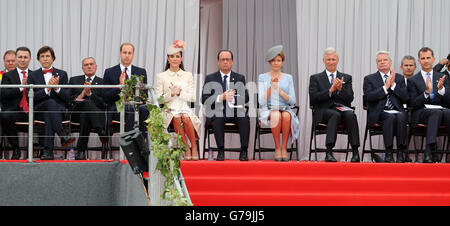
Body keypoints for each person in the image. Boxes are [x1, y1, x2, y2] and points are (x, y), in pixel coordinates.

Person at [309, 47, 360, 162]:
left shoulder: (346, 77)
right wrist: (330, 90)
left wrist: (340, 89)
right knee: (334, 115)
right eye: (328, 59)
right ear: (323, 60)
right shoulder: (315, 78)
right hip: (323, 111)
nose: (331, 62)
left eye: (333, 59)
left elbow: (350, 98)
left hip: (342, 109)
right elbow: (313, 98)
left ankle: (355, 152)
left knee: (351, 114)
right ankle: (329, 151)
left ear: (337, 60)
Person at [156, 41, 201, 161]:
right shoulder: (161, 76)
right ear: (168, 59)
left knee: (185, 117)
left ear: (181, 59)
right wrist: (171, 93)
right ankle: (186, 148)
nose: (175, 59)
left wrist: (180, 93)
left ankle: (194, 146)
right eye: (172, 56)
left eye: (177, 56)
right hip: (169, 109)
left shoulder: (187, 75)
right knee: (176, 117)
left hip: (183, 107)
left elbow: (192, 98)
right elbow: (158, 99)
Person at [201, 50, 250, 161]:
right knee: (218, 117)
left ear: (232, 62)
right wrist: (220, 97)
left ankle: (244, 151)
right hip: (218, 110)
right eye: (223, 59)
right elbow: (204, 99)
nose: (225, 62)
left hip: (235, 110)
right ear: (218, 62)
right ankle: (221, 150)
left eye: (228, 59)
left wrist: (233, 98)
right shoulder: (210, 78)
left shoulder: (239, 78)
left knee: (244, 118)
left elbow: (246, 98)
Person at [27, 46, 74, 160]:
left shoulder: (62, 74)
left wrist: (57, 88)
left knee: (50, 111)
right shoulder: (32, 75)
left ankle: (47, 151)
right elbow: (31, 97)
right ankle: (62, 134)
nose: (45, 59)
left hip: (57, 111)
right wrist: (47, 89)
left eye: (48, 56)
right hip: (39, 110)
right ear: (38, 59)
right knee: (49, 104)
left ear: (53, 58)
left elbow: (68, 98)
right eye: (42, 56)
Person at [363, 51, 408, 162]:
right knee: (389, 117)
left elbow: (406, 97)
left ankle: (400, 152)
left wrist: (393, 86)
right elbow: (368, 97)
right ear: (376, 64)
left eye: (385, 60)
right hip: (379, 112)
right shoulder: (369, 79)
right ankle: (388, 152)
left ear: (390, 62)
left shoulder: (399, 78)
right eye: (379, 61)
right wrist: (385, 87)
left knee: (402, 116)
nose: (382, 62)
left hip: (397, 111)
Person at [407, 47, 450, 163]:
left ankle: (436, 152)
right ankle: (429, 150)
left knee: (446, 112)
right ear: (419, 61)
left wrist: (441, 90)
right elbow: (412, 103)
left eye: (428, 58)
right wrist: (426, 93)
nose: (426, 61)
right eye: (423, 58)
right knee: (436, 113)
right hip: (421, 113)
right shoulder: (413, 80)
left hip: (441, 112)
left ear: (433, 59)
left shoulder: (442, 77)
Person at [258, 45, 300, 161]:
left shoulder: (288, 78)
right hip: (269, 109)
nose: (276, 63)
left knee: (286, 115)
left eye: (278, 60)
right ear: (269, 62)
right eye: (273, 60)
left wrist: (279, 91)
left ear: (282, 61)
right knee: (276, 114)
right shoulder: (262, 77)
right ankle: (277, 147)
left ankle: (284, 148)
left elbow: (293, 101)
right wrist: (271, 88)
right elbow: (261, 101)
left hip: (285, 109)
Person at [103, 42, 149, 133]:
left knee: (144, 109)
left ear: (133, 55)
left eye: (129, 53)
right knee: (130, 108)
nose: (127, 56)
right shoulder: (109, 71)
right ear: (120, 54)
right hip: (117, 107)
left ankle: (141, 143)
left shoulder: (141, 71)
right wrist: (120, 87)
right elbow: (105, 96)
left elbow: (145, 95)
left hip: (136, 105)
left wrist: (137, 93)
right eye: (124, 53)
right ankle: (129, 142)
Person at [69, 57, 107, 160]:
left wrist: (90, 93)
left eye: (91, 64)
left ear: (96, 67)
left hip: (92, 115)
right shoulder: (74, 80)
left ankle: (81, 151)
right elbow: (70, 101)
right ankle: (100, 130)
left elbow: (103, 103)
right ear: (82, 68)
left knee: (86, 115)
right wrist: (83, 93)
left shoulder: (103, 82)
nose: (89, 66)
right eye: (86, 65)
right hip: (76, 114)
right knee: (85, 104)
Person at [0, 47, 33, 159]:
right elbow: (3, 95)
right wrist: (20, 87)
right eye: (20, 57)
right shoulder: (7, 76)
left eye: (25, 57)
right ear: (17, 59)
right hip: (15, 112)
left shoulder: (35, 74)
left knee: (48, 112)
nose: (23, 60)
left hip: (32, 111)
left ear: (30, 59)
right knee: (4, 115)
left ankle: (45, 151)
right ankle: (16, 149)